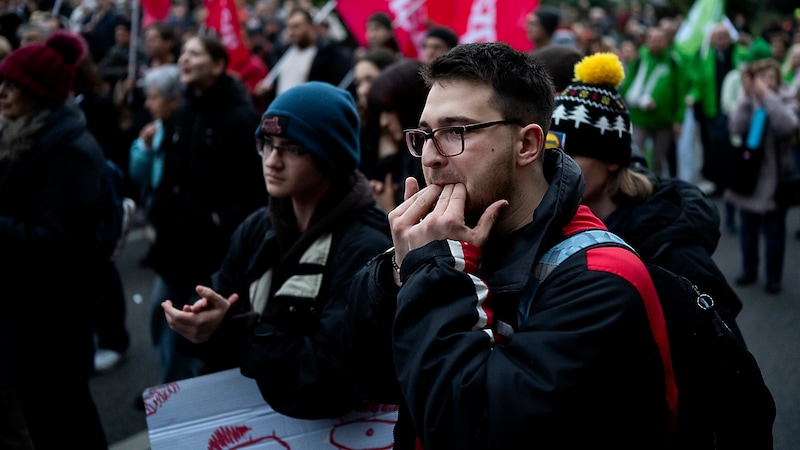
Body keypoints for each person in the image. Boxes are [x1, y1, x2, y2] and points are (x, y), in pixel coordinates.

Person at [344, 42, 677, 449]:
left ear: (527, 145)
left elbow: (472, 429)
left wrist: (436, 273)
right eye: (426, 135)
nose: (430, 157)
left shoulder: (601, 277)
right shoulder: (441, 241)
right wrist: (396, 272)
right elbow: (367, 378)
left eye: (455, 132)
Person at [162, 81, 392, 419]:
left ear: (332, 155)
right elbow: (226, 303)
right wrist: (202, 321)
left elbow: (329, 377)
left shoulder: (367, 246)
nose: (272, 161)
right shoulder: (259, 226)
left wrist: (237, 330)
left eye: (293, 149)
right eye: (266, 144)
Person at [549, 51, 745, 339]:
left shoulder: (671, 251)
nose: (556, 166)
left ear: (612, 160)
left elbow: (726, 355)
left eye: (571, 154)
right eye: (551, 154)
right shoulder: (553, 226)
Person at [0, 30, 108, 448]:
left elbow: (56, 244)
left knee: (66, 424)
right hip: (23, 314)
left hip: (51, 322)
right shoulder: (20, 135)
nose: (3, 92)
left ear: (40, 93)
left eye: (13, 85)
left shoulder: (71, 151)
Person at [145, 32, 268, 384]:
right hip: (171, 244)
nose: (184, 59)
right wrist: (157, 214)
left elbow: (252, 187)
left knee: (192, 329)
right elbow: (171, 172)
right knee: (162, 317)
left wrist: (220, 221)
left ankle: (179, 391)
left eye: (195, 53)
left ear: (217, 65)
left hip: (209, 251)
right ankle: (168, 382)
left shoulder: (240, 117)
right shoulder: (183, 111)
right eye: (183, 52)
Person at [724, 57, 799, 295]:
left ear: (778, 79)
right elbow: (735, 128)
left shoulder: (787, 99)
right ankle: (749, 269)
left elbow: (787, 126)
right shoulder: (748, 100)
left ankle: (773, 277)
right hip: (749, 177)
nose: (763, 83)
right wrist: (747, 97)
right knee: (748, 228)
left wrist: (766, 96)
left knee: (775, 232)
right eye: (760, 78)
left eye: (769, 78)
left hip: (777, 179)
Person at [620, 25, 687, 178]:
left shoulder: (674, 62)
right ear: (647, 41)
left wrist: (679, 119)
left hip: (664, 120)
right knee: (636, 155)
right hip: (639, 118)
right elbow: (628, 85)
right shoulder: (639, 59)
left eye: (659, 40)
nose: (655, 43)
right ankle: (635, 185)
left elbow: (680, 92)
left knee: (658, 159)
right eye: (652, 40)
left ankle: (655, 188)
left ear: (666, 42)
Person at [365, 58, 429, 212]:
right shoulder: (402, 159)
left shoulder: (429, 158)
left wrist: (389, 210)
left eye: (388, 111)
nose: (383, 122)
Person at [254, 7, 352, 102]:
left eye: (296, 26)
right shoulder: (283, 53)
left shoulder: (327, 54)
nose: (292, 32)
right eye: (289, 27)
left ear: (310, 26)